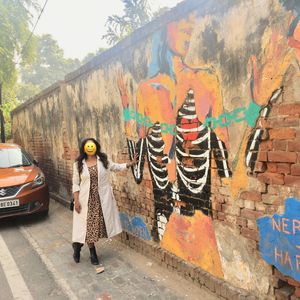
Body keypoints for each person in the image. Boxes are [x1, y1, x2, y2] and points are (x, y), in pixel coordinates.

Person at [72, 137, 136, 265]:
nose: (90, 148)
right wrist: (76, 201)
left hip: (101, 200)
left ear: (96, 146)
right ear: (84, 149)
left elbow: (115, 167)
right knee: (89, 227)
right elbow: (75, 183)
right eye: (87, 146)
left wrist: (130, 163)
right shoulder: (78, 164)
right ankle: (92, 253)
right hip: (86, 200)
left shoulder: (103, 160)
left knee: (97, 227)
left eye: (92, 146)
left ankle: (77, 245)